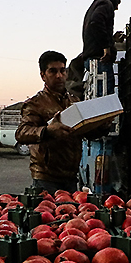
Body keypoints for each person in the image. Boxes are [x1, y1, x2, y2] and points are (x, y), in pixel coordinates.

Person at [15, 51, 84, 194]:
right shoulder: (35, 104)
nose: (59, 76)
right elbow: (22, 132)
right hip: (46, 179)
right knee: (49, 214)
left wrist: (102, 124)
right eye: (53, 71)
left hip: (71, 178)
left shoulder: (75, 103)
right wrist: (47, 131)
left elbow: (86, 131)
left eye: (62, 71)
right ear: (43, 75)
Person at [67, 0, 123, 94]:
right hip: (99, 60)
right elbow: (96, 22)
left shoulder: (95, 6)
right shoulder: (106, 4)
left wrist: (112, 39)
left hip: (93, 60)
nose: (116, 7)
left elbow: (95, 30)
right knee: (105, 101)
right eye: (117, 2)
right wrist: (106, 48)